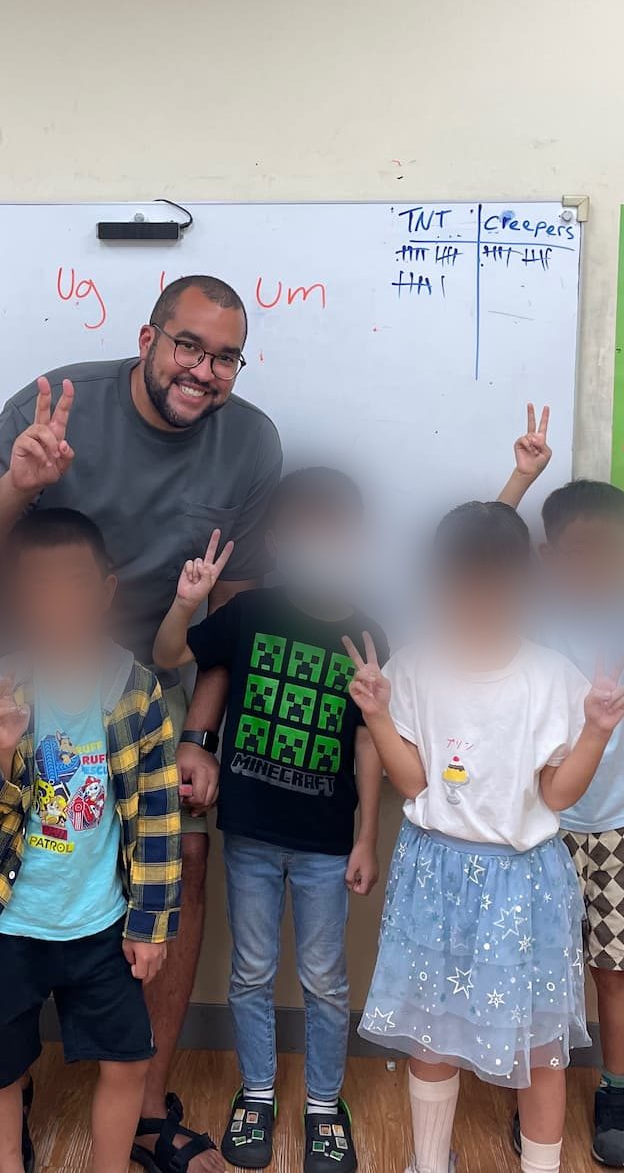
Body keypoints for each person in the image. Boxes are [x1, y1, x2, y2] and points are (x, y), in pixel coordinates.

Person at [0, 274, 282, 1172]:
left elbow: (234, 621)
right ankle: (2, 1106)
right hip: (26, 672)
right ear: (148, 337)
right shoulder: (55, 400)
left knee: (179, 853)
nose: (203, 370)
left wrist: (196, 736)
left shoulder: (251, 444)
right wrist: (17, 487)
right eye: (188, 346)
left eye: (225, 357)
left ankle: (140, 1109)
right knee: (8, 844)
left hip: (153, 682)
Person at [348, 501, 624, 1173]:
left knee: (538, 1049)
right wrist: (381, 716)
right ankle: (428, 1159)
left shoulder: (551, 675)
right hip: (433, 874)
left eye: (493, 582)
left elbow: (560, 794)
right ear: (439, 580)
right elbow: (415, 784)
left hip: (523, 879)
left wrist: (595, 731)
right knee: (430, 1035)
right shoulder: (414, 666)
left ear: (523, 581)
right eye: (461, 582)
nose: (476, 597)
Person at [151, 468, 385, 1173]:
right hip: (250, 835)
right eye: (304, 529)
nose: (319, 541)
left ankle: (322, 1104)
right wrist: (184, 605)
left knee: (324, 978)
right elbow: (169, 657)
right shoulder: (252, 612)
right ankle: (256, 1093)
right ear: (281, 541)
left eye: (332, 528)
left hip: (324, 843)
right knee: (250, 973)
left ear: (353, 538)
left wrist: (367, 835)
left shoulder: (365, 630)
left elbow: (370, 738)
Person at [0, 508, 182, 1173]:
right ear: (18, 599)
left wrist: (151, 924)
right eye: (41, 588)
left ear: (105, 590)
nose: (60, 604)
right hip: (7, 920)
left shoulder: (132, 688)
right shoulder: (1, 681)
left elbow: (157, 812)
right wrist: (0, 746)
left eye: (75, 584)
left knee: (128, 1058)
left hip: (99, 921)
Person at [498, 409, 624, 1168]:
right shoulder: (532, 609)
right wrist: (521, 476)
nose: (595, 567)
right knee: (535, 967)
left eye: (611, 553)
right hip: (538, 822)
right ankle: (536, 1084)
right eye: (580, 553)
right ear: (550, 556)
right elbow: (480, 550)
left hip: (621, 821)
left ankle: (616, 1088)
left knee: (613, 969)